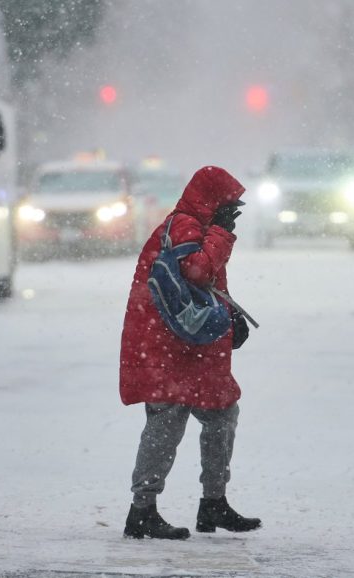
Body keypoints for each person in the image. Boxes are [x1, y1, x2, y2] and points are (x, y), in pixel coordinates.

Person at [119, 166, 261, 540]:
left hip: (192, 344)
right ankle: (142, 510)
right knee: (167, 420)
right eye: (228, 205)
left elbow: (210, 282)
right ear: (211, 200)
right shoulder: (183, 224)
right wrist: (222, 232)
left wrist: (230, 318)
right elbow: (197, 271)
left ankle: (213, 503)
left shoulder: (195, 227)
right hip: (169, 344)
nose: (232, 213)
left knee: (222, 412)